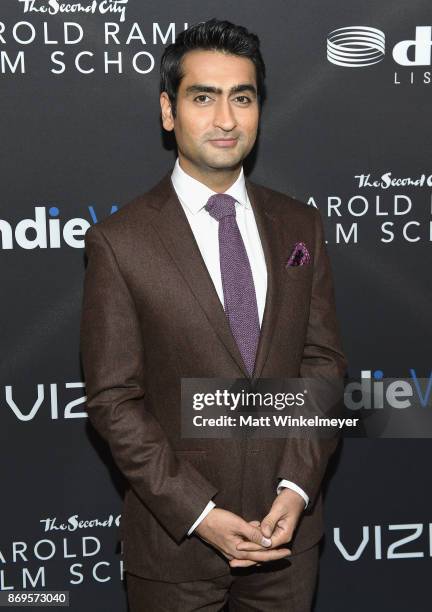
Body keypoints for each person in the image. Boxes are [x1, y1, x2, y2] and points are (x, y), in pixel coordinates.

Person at [80, 18, 347, 612]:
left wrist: (297, 488)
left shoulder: (300, 226)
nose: (226, 118)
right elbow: (113, 400)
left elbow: (322, 364)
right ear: (168, 111)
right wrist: (199, 513)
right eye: (204, 96)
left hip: (288, 546)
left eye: (242, 97)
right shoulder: (119, 242)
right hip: (175, 552)